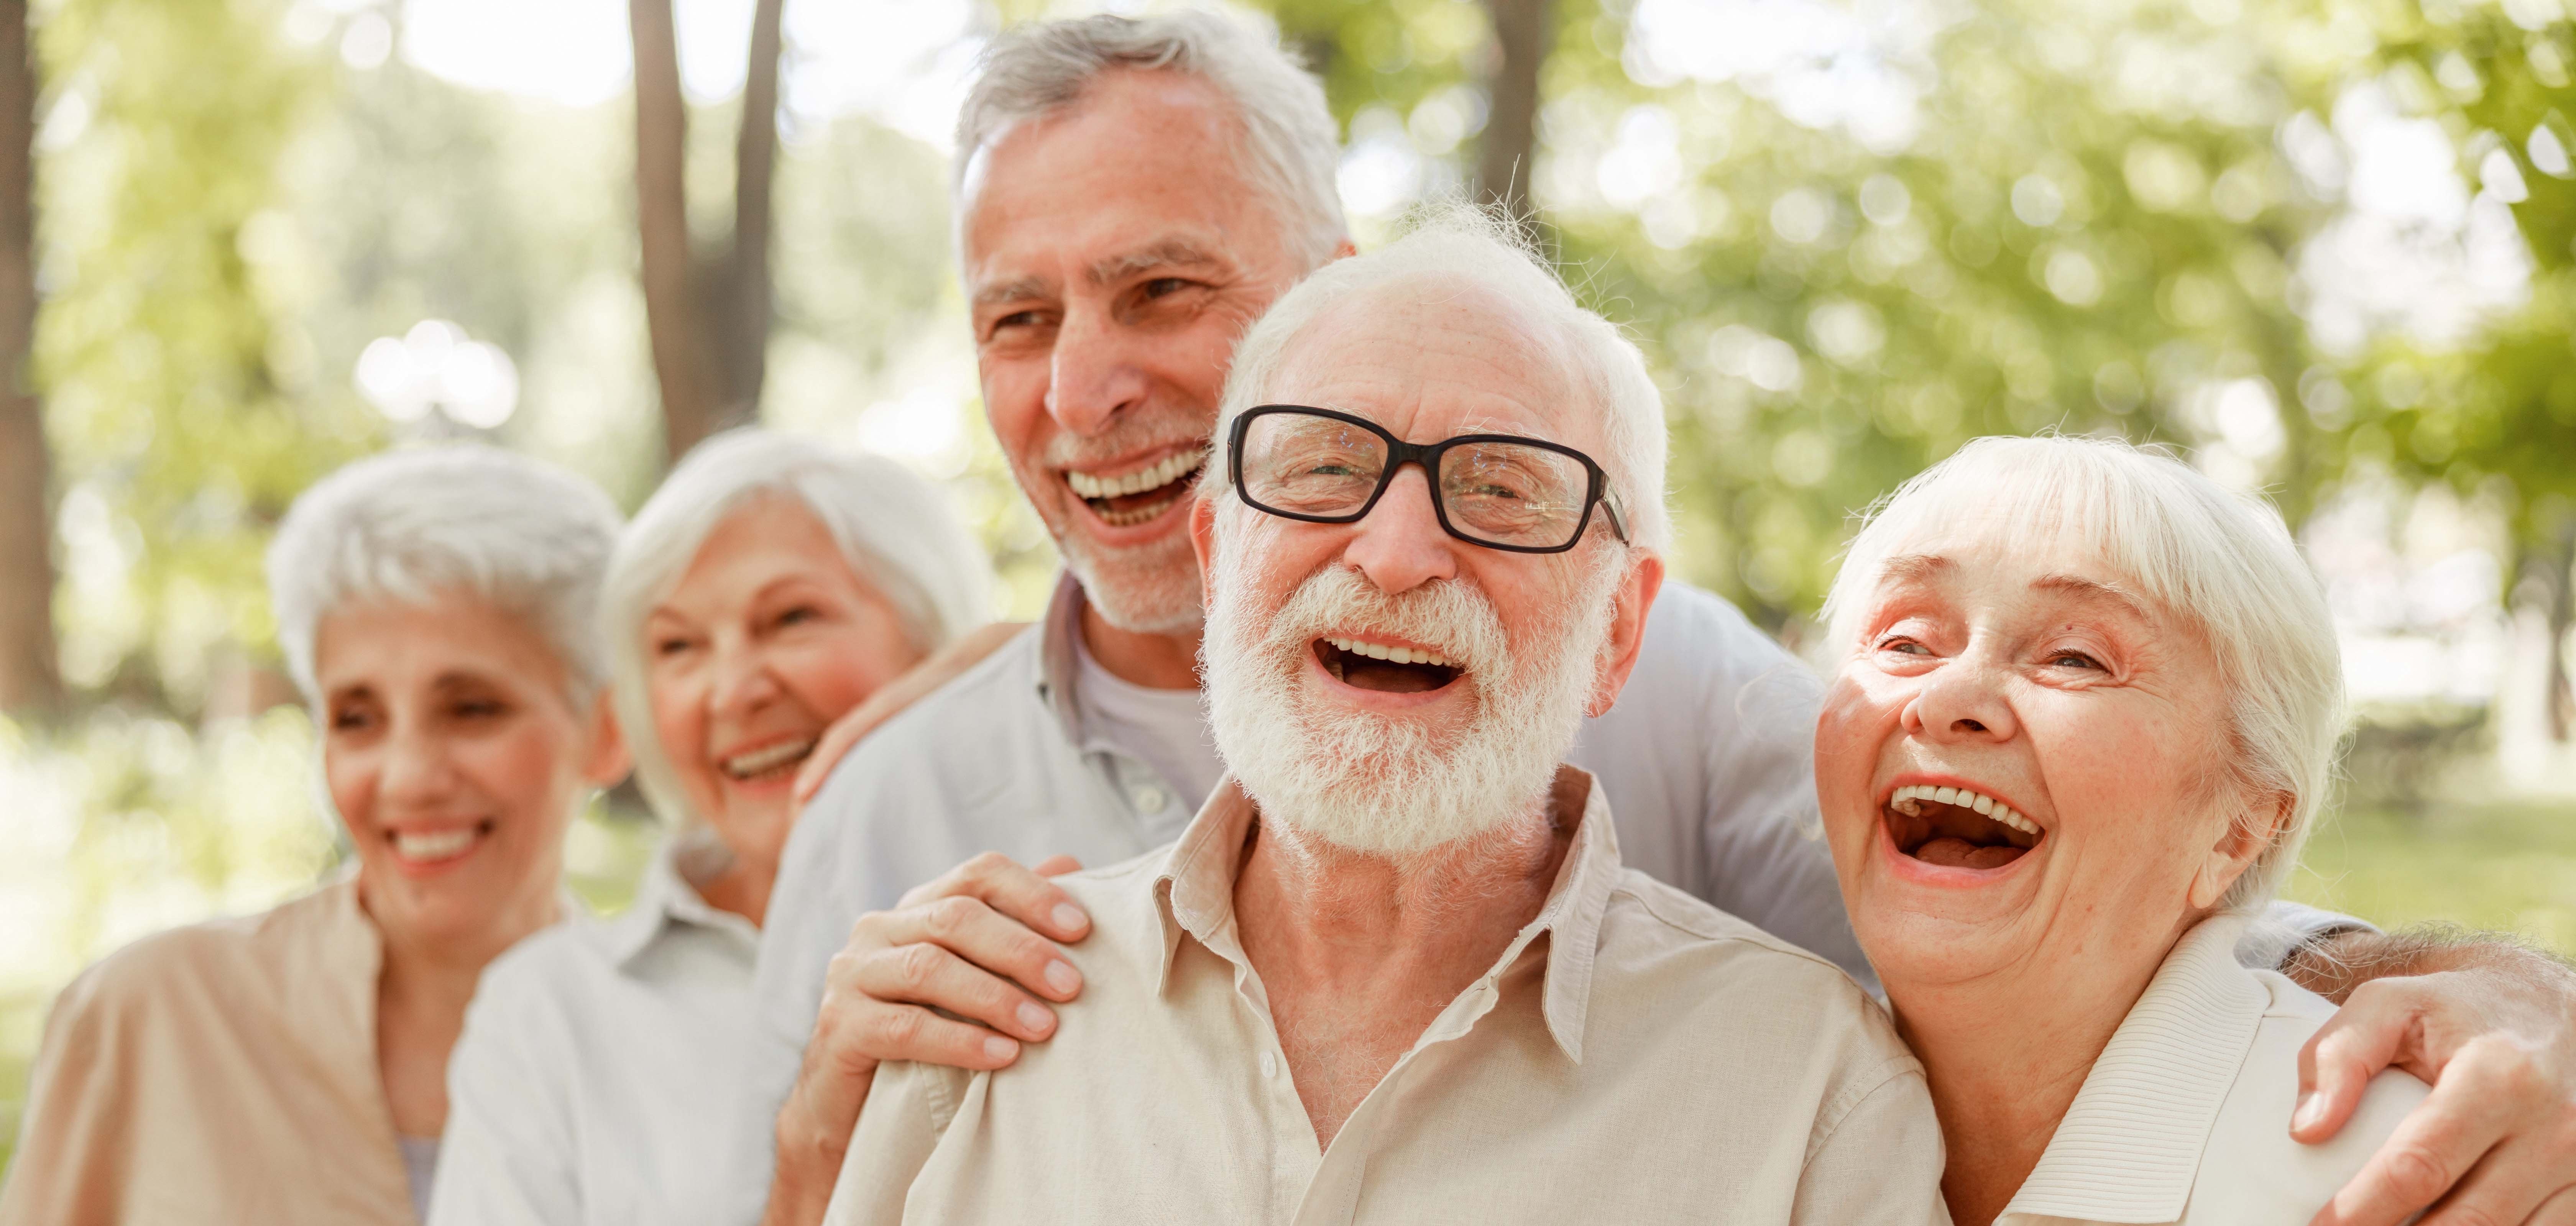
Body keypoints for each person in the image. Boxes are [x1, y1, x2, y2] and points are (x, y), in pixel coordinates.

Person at [760, 15, 2576, 1226]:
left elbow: (2022, 861)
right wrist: (829, 1134)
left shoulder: (1781, 1019)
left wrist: (2496, 993)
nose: (1087, 388)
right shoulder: (894, 829)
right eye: (1018, 319)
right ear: (1240, 521)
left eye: (1161, 289)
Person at [822, 206, 1946, 1226]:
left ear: (1616, 632)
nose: (1399, 556)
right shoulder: (972, 1034)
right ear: (1217, 564)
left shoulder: (1812, 1096)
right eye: (1322, 468)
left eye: (1503, 489)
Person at [1810, 435, 2445, 1223]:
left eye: (2075, 658)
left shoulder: (2398, 1171)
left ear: (2238, 829)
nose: (1948, 697)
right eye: (1905, 641)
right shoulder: (1746, 1103)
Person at [0, 447, 626, 1226]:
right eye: (357, 719)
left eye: (472, 709)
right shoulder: (148, 1018)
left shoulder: (687, 1049)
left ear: (609, 728)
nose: (408, 777)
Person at [427, 430, 998, 1226]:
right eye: (678, 646)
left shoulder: (1074, 909)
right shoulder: (551, 1011)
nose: (732, 692)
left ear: (934, 640)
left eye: (791, 618)